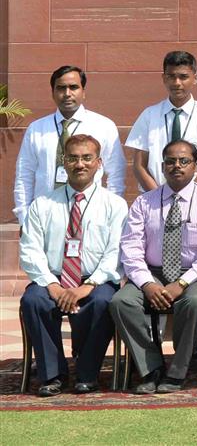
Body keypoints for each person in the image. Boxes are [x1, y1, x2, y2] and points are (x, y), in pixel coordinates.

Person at [110, 140, 197, 394]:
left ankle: (178, 370)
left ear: (195, 166)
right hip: (152, 272)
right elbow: (130, 249)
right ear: (162, 167)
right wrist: (148, 284)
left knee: (195, 303)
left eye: (184, 161)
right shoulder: (144, 203)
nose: (177, 166)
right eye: (170, 161)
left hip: (196, 276)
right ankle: (151, 366)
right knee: (121, 302)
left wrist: (182, 283)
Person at [19, 133, 127, 396]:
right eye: (74, 158)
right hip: (53, 278)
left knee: (104, 302)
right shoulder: (43, 204)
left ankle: (87, 374)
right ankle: (53, 375)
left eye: (87, 158)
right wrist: (53, 286)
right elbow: (30, 250)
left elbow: (116, 252)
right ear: (63, 162)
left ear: (99, 162)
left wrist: (87, 286)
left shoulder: (115, 205)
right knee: (33, 301)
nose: (80, 164)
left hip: (96, 280)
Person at [14, 65, 125, 230]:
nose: (67, 93)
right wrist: (24, 217)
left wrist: (110, 214)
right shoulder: (36, 129)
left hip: (91, 215)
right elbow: (24, 175)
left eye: (73, 87)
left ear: (83, 91)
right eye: (61, 88)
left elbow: (115, 175)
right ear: (53, 92)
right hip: (44, 215)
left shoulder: (104, 126)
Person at [125, 51, 197, 194]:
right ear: (164, 78)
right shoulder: (149, 115)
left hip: (195, 199)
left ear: (195, 78)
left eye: (183, 77)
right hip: (154, 199)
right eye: (171, 77)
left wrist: (187, 198)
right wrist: (159, 197)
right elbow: (140, 166)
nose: (177, 83)